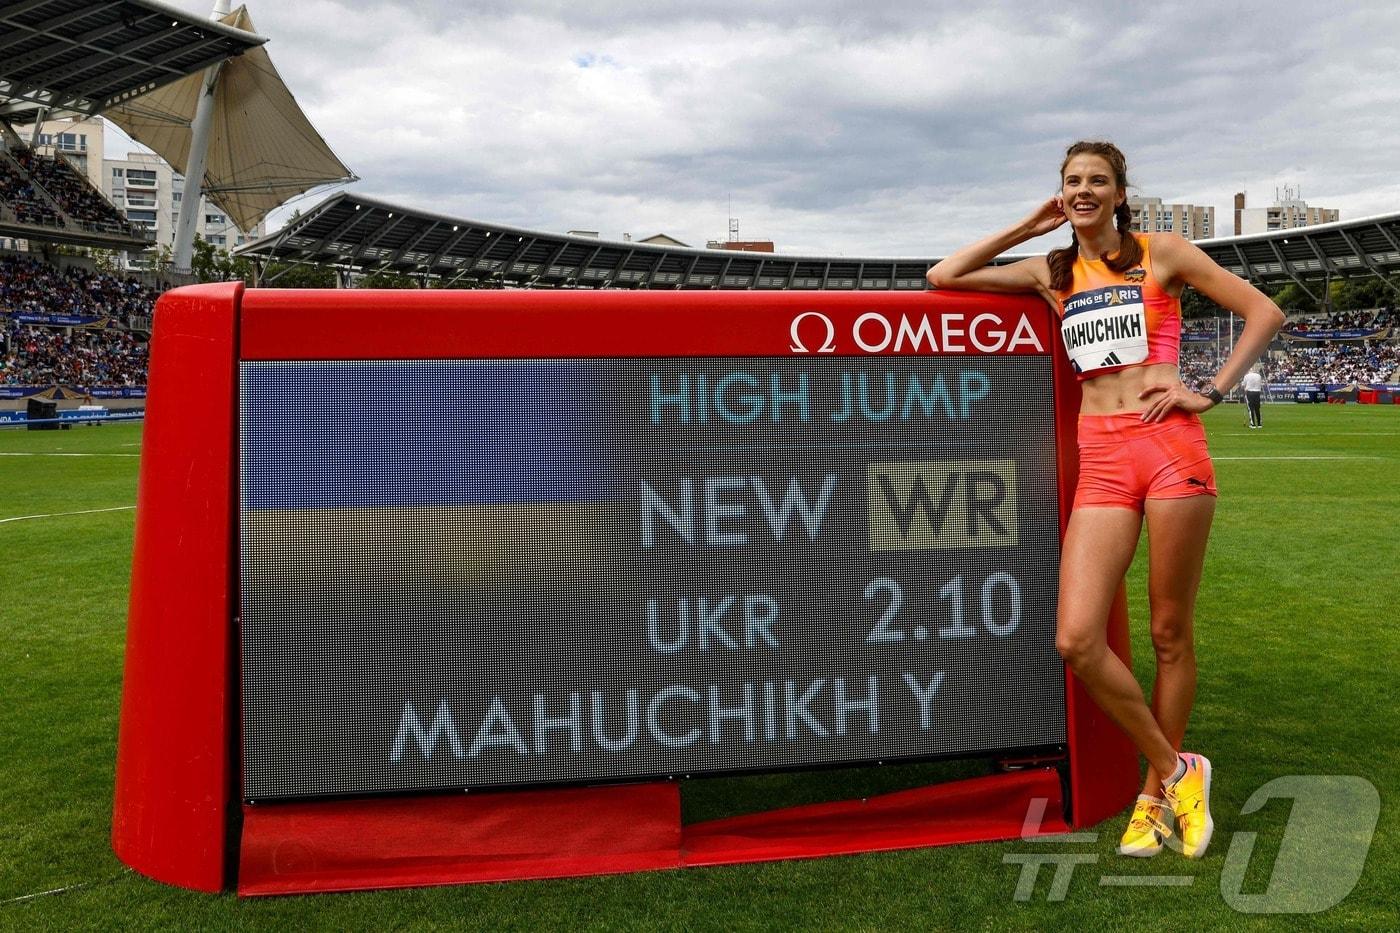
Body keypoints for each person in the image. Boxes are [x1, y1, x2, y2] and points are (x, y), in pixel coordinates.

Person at [928, 140, 1283, 859]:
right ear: (1060, 194)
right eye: (1071, 182)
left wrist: (1208, 390)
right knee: (1077, 638)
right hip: (1103, 457)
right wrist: (1025, 229)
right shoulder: (1051, 270)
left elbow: (1264, 311)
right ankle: (1176, 766)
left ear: (1121, 192)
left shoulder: (1165, 252)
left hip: (1170, 447)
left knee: (1168, 633)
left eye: (1097, 181)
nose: (1083, 190)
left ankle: (1153, 801)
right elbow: (944, 274)